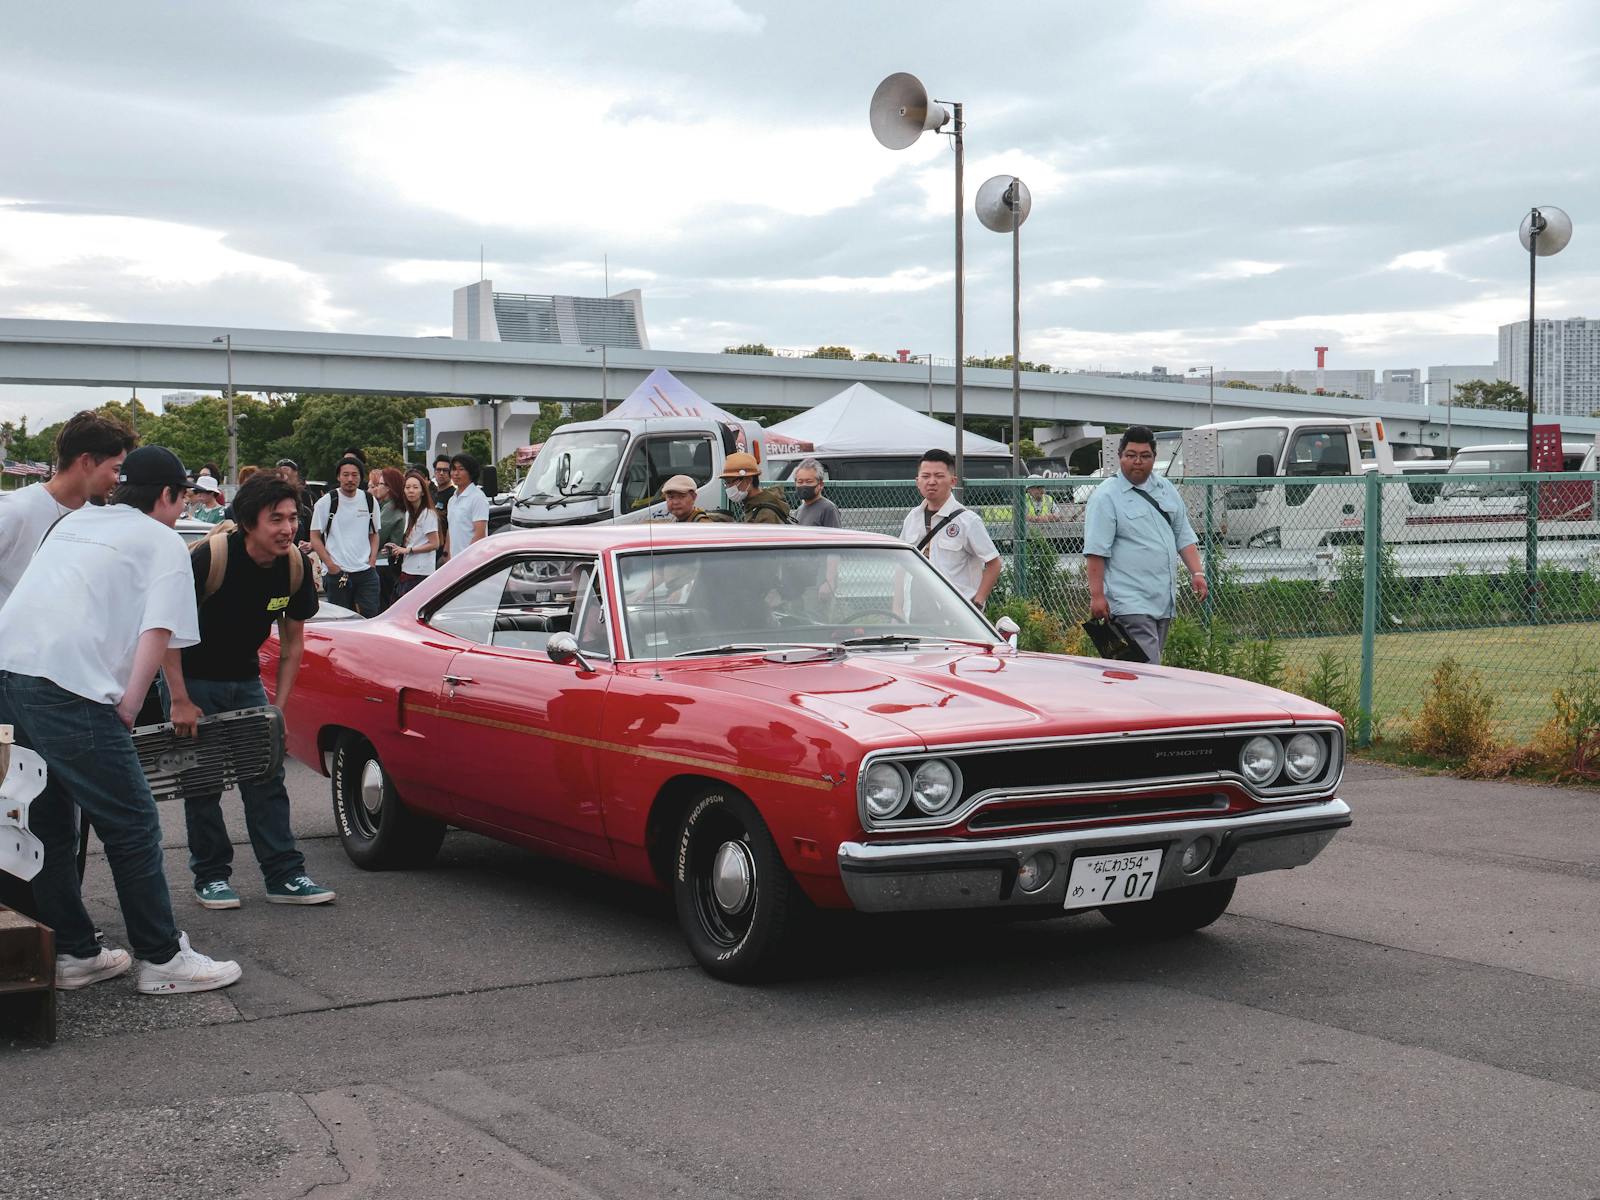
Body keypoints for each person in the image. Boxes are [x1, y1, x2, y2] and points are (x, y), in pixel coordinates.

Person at [0, 445, 242, 994]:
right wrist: (129, 706)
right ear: (168, 496)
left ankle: (72, 951)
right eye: (182, 499)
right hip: (68, 688)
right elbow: (159, 630)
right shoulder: (161, 541)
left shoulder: (77, 521)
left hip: (9, 673)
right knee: (131, 821)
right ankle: (161, 958)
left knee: (50, 822)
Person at [161, 473, 335, 909]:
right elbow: (166, 634)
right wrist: (179, 699)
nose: (287, 528)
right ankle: (212, 876)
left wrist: (278, 707)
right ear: (248, 521)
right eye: (275, 518)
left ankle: (284, 875)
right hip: (195, 684)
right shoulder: (210, 559)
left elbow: (293, 643)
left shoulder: (293, 566)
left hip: (246, 683)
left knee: (266, 779)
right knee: (202, 786)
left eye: (293, 518)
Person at [1083, 425, 1208, 663]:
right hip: (1130, 602)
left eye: (1144, 456)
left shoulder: (1165, 489)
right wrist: (1097, 595)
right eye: (1131, 455)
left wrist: (1197, 572)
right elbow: (1096, 551)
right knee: (1149, 672)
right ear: (1120, 457)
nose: (1137, 462)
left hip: (1163, 601)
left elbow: (1183, 534)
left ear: (1154, 457)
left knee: (1139, 675)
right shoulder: (1106, 497)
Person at [0, 410, 136, 610]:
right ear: (86, 462)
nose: (119, 480)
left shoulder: (102, 519)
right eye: (116, 470)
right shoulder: (15, 511)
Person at [898, 449, 1000, 608]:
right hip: (914, 611)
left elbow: (994, 563)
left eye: (939, 476)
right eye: (925, 476)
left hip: (956, 613)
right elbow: (901, 565)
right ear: (917, 481)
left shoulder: (967, 520)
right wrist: (897, 610)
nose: (931, 481)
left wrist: (978, 603)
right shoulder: (912, 518)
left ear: (953, 481)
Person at [309, 456, 380, 616]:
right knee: (341, 620)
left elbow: (374, 534)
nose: (350, 479)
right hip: (337, 572)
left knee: (370, 616)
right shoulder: (327, 501)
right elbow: (314, 536)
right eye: (345, 474)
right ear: (338, 476)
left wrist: (372, 560)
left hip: (365, 572)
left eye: (355, 475)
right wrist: (330, 565)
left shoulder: (369, 500)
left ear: (361, 477)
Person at [389, 468, 442, 599]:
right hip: (408, 569)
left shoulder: (428, 514)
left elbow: (435, 544)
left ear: (423, 491)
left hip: (421, 573)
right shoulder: (409, 513)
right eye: (407, 487)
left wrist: (408, 550)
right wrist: (397, 549)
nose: (411, 490)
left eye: (415, 487)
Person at [371, 467, 407, 610]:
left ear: (389, 487)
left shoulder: (390, 508)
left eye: (380, 484)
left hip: (384, 563)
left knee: (382, 607)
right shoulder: (385, 506)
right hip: (384, 562)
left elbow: (377, 536)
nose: (376, 488)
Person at [719, 452, 790, 524]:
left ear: (748, 480)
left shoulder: (765, 513)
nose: (728, 487)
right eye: (726, 483)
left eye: (730, 482)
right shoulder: (753, 505)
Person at [447, 452, 490, 557]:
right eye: (453, 469)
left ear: (471, 472)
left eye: (461, 469)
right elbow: (451, 529)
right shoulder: (452, 500)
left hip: (470, 560)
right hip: (454, 560)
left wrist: (467, 559)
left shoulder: (477, 497)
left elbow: (479, 534)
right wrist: (447, 555)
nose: (456, 473)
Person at [792, 458, 842, 528]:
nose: (804, 485)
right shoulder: (799, 510)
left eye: (809, 481)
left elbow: (834, 536)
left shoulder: (828, 509)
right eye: (800, 482)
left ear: (820, 484)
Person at [660, 475, 731, 522]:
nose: (675, 502)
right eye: (670, 497)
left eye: (681, 496)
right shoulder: (676, 520)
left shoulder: (702, 525)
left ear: (694, 497)